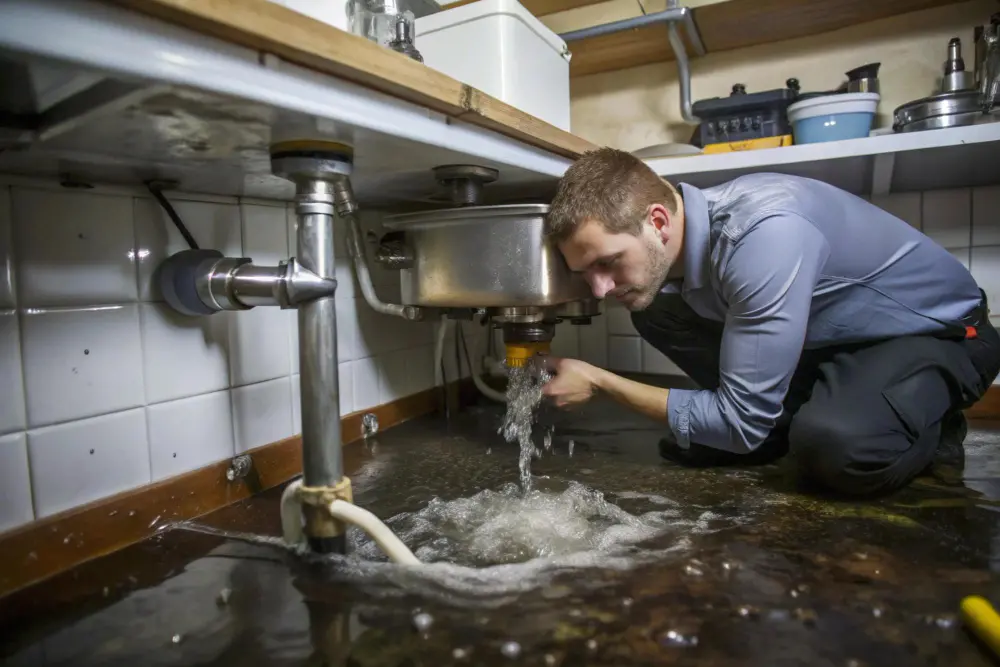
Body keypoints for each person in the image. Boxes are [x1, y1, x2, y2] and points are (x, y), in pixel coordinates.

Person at [541, 147, 1000, 496]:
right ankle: (775, 429)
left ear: (658, 221)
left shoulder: (763, 235)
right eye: (585, 273)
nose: (599, 290)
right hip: (836, 340)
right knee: (654, 310)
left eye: (608, 262)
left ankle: (933, 423)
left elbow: (739, 421)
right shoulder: (681, 250)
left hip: (942, 334)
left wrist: (602, 383)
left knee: (836, 451)